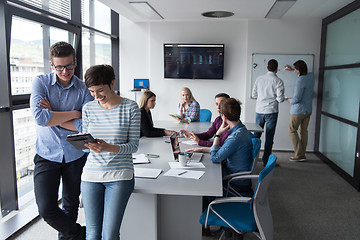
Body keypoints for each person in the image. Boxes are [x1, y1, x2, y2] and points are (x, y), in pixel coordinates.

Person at [30, 41, 93, 240]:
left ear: (75, 63)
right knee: (46, 208)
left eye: (69, 66)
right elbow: (40, 118)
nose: (65, 71)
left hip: (75, 153)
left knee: (70, 205)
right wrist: (74, 113)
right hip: (46, 153)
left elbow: (86, 125)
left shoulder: (84, 89)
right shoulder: (40, 82)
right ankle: (80, 233)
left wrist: (54, 115)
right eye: (60, 67)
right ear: (52, 66)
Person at [81, 65, 140, 239]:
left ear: (112, 83)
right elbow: (87, 144)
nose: (97, 96)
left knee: (109, 235)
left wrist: (108, 147)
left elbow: (134, 146)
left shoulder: (130, 108)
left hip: (120, 176)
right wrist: (86, 144)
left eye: (100, 90)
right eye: (92, 92)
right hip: (91, 175)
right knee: (92, 234)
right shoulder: (88, 109)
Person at [187, 98, 253, 190]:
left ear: (224, 117)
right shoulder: (242, 129)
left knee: (203, 176)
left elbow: (215, 158)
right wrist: (202, 149)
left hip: (235, 181)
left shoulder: (234, 137)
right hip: (238, 175)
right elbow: (224, 150)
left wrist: (217, 134)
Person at [252, 59, 285, 166]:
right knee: (269, 137)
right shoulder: (278, 81)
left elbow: (254, 95)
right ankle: (266, 161)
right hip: (272, 111)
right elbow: (280, 99)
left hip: (260, 110)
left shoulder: (259, 79)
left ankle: (251, 158)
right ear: (277, 69)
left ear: (267, 67)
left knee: (256, 136)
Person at [285, 60, 314, 162]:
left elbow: (297, 98)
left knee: (292, 130)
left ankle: (299, 155)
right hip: (308, 109)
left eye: (296, 69)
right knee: (303, 131)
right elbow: (304, 73)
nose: (295, 71)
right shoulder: (311, 76)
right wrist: (293, 70)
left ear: (299, 70)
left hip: (298, 111)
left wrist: (289, 100)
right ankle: (302, 154)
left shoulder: (300, 81)